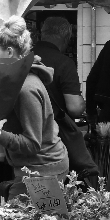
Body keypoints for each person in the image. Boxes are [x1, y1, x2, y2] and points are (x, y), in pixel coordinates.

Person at [0, 17, 69, 199]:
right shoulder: (18, 81)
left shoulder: (25, 88)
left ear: (9, 52)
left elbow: (32, 144)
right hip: (38, 168)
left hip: (43, 171)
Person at [33, 17, 99, 184]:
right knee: (56, 186)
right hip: (52, 138)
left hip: (22, 135)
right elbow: (75, 108)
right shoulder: (63, 62)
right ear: (66, 37)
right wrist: (84, 104)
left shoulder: (24, 57)